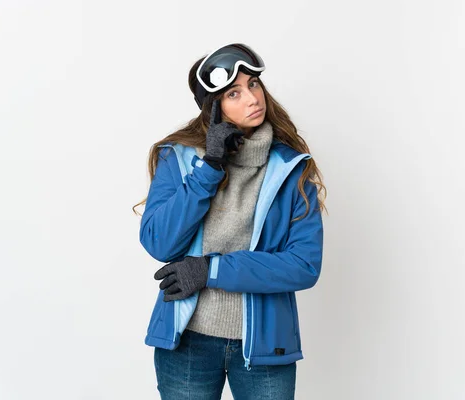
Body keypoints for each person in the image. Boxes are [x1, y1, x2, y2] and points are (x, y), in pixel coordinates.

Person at [133, 43, 327, 400]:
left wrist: (212, 271)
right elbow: (160, 242)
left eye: (253, 85)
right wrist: (209, 168)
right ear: (214, 107)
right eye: (233, 93)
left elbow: (303, 266)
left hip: (265, 347)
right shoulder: (179, 158)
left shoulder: (291, 170)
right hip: (187, 342)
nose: (252, 98)